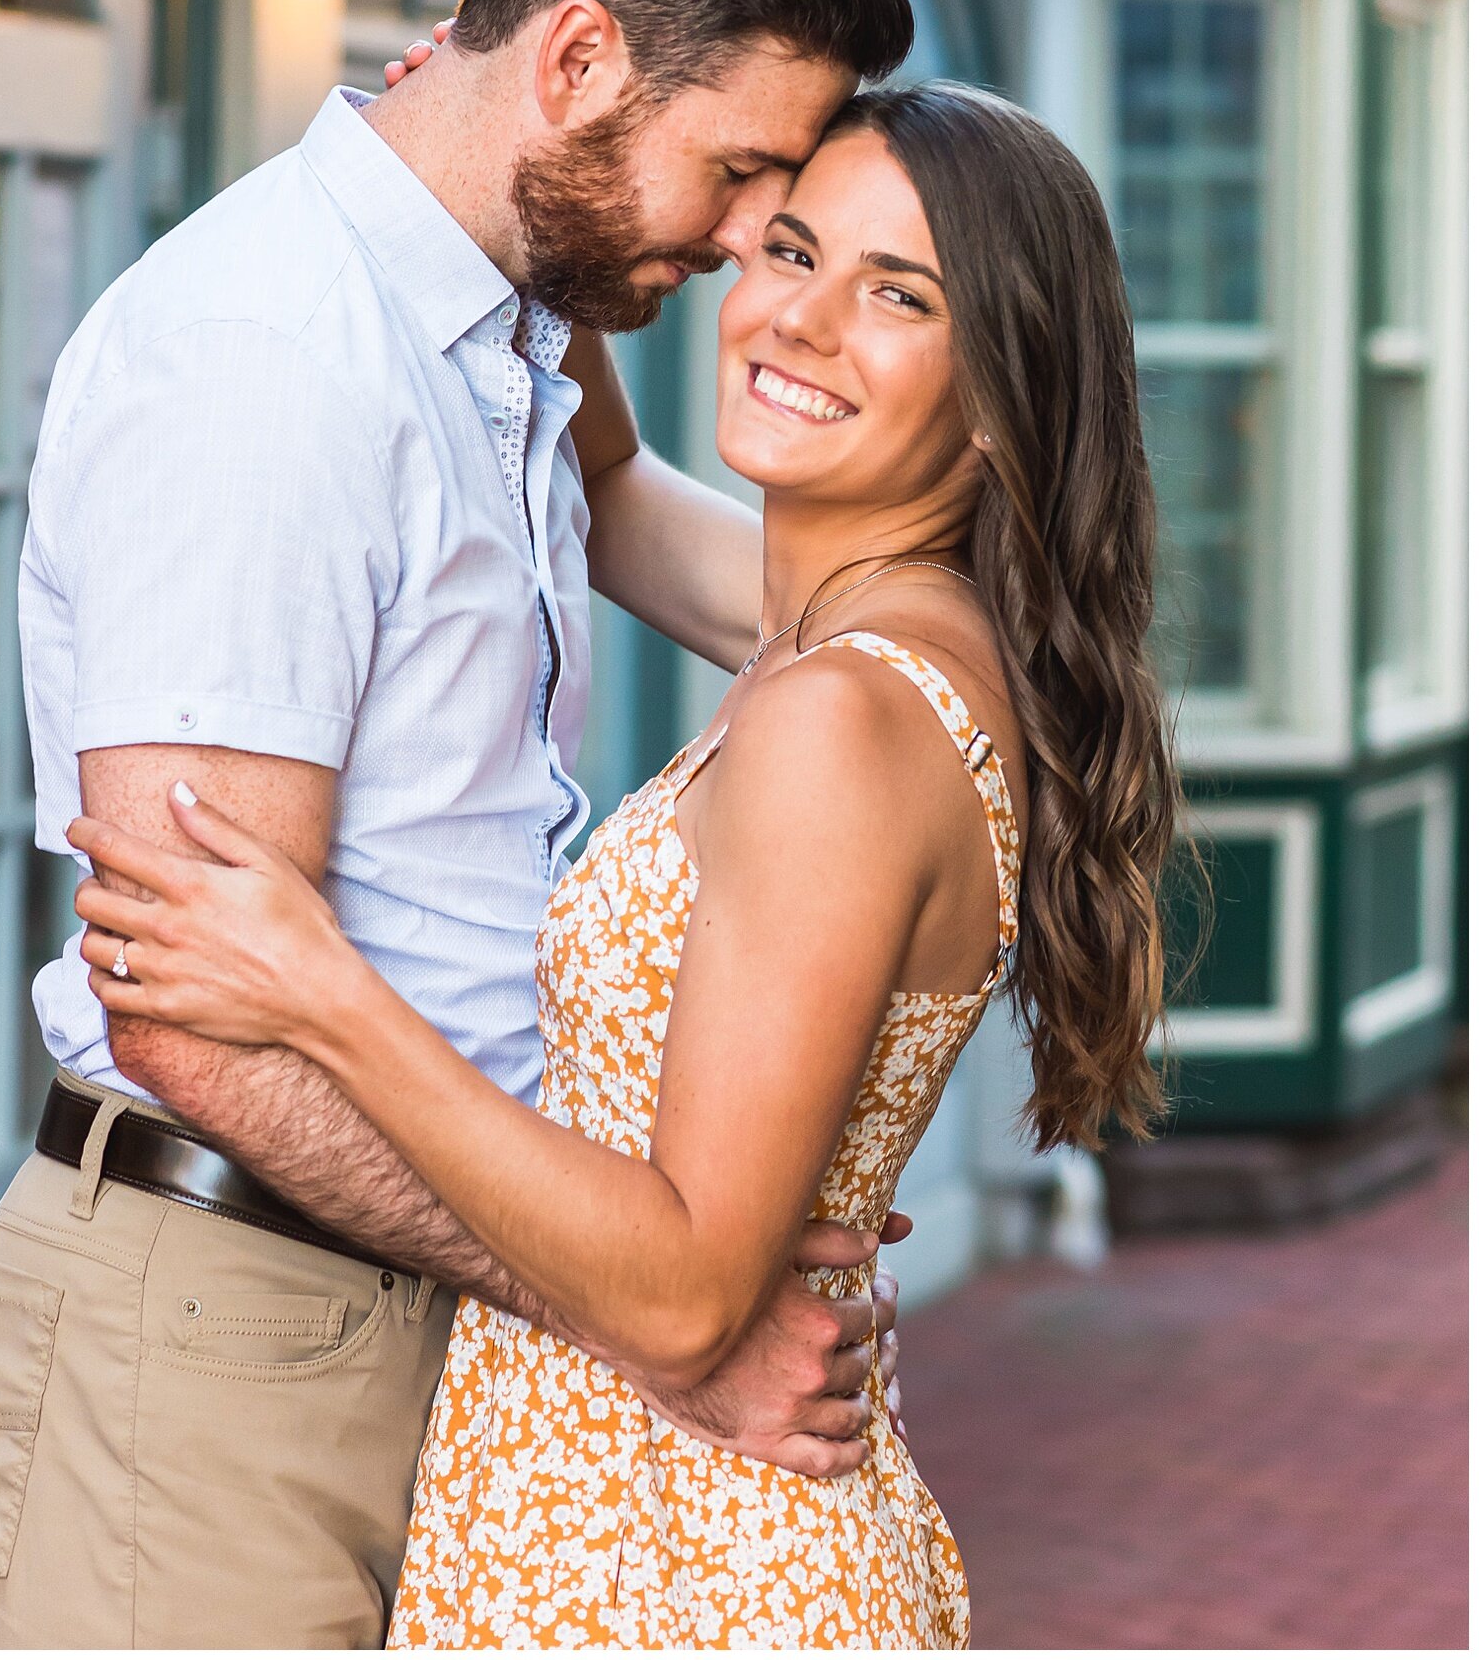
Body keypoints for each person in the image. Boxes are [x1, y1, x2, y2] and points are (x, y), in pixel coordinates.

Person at [0, 0, 917, 1651]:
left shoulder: (518, 316)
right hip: (228, 1321)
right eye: (742, 168)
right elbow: (204, 1028)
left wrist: (964, 647)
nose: (751, 235)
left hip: (430, 1296)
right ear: (575, 61)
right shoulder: (267, 362)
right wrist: (659, 1320)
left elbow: (625, 516)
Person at [73, 82, 1178, 1648]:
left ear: (999, 392)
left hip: (676, 1552)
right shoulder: (881, 637)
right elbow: (600, 491)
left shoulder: (839, 720)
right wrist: (499, 142)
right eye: (789, 250)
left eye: (898, 294)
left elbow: (677, 1296)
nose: (800, 320)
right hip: (637, 1513)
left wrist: (320, 989)